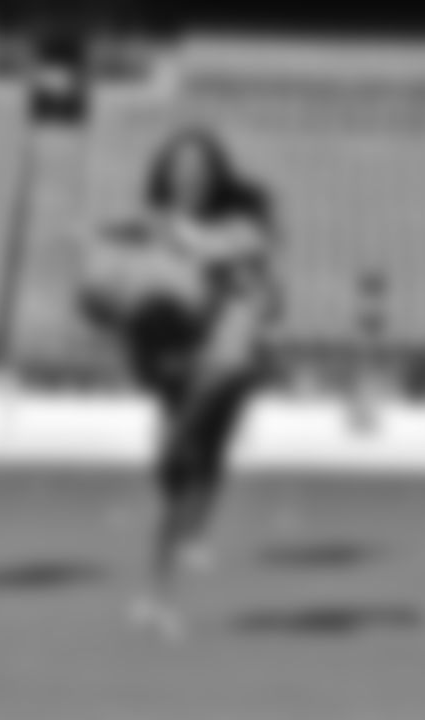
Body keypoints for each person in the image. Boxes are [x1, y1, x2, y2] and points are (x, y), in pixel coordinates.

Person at [77, 126, 278, 638]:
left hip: (224, 349)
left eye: (200, 168)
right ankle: (161, 585)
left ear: (215, 177)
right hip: (169, 350)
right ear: (165, 175)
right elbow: (102, 285)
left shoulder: (239, 226)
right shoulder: (140, 226)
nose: (189, 176)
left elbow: (234, 257)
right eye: (180, 167)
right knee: (180, 473)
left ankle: (161, 588)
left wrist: (170, 231)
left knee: (197, 460)